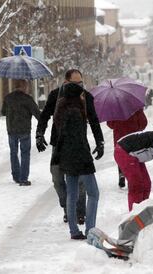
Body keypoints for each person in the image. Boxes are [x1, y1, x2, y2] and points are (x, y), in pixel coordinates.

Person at [35, 69, 104, 224]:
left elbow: (94, 120)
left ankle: (79, 212)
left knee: (79, 181)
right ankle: (67, 206)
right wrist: (39, 134)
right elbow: (45, 115)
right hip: (59, 144)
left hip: (79, 144)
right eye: (75, 83)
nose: (79, 86)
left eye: (81, 82)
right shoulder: (55, 95)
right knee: (57, 178)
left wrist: (100, 141)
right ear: (66, 82)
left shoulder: (86, 97)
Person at [53, 82, 102, 240]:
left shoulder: (62, 110)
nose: (83, 97)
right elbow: (79, 139)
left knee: (72, 195)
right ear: (76, 96)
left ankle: (74, 230)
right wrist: (87, 158)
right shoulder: (75, 112)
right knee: (93, 193)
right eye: (81, 95)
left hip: (67, 157)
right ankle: (90, 230)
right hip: (80, 157)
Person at [1, 79, 40, 186]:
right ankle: (23, 179)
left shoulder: (8, 98)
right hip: (24, 131)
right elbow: (37, 113)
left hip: (11, 130)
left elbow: (3, 112)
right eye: (26, 86)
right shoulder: (28, 99)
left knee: (13, 153)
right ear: (23, 87)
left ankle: (16, 176)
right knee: (25, 153)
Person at [107, 109, 147, 188]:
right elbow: (143, 124)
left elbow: (110, 124)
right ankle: (135, 178)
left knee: (122, 158)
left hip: (120, 138)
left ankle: (122, 174)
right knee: (135, 157)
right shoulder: (136, 107)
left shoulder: (115, 108)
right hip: (134, 137)